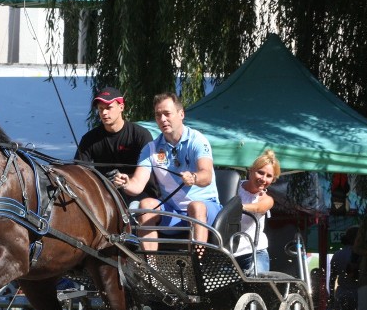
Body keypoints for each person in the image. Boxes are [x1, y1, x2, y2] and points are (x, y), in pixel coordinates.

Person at [115, 92, 222, 247]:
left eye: (167, 114)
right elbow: (137, 185)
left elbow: (206, 176)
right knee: (145, 204)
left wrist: (194, 178)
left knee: (196, 206)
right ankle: (150, 266)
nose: (162, 119)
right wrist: (125, 183)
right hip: (174, 212)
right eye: (158, 115)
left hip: (205, 209)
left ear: (181, 114)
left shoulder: (197, 140)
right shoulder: (151, 148)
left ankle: (196, 264)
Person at [74, 86, 156, 205]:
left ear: (121, 107)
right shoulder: (89, 139)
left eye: (109, 108)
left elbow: (150, 172)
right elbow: (79, 173)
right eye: (100, 109)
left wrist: (124, 178)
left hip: (140, 196)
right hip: (105, 196)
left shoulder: (140, 135)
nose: (104, 113)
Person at [233, 150, 279, 275]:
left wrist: (237, 207)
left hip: (253, 252)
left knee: (257, 283)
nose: (263, 179)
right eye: (260, 173)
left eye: (269, 176)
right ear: (251, 170)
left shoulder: (266, 199)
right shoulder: (233, 187)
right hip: (228, 251)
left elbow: (260, 207)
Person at [328, 227, 359, 310]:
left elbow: (332, 278)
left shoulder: (337, 254)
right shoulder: (359, 255)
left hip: (341, 292)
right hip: (357, 292)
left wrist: (331, 295)